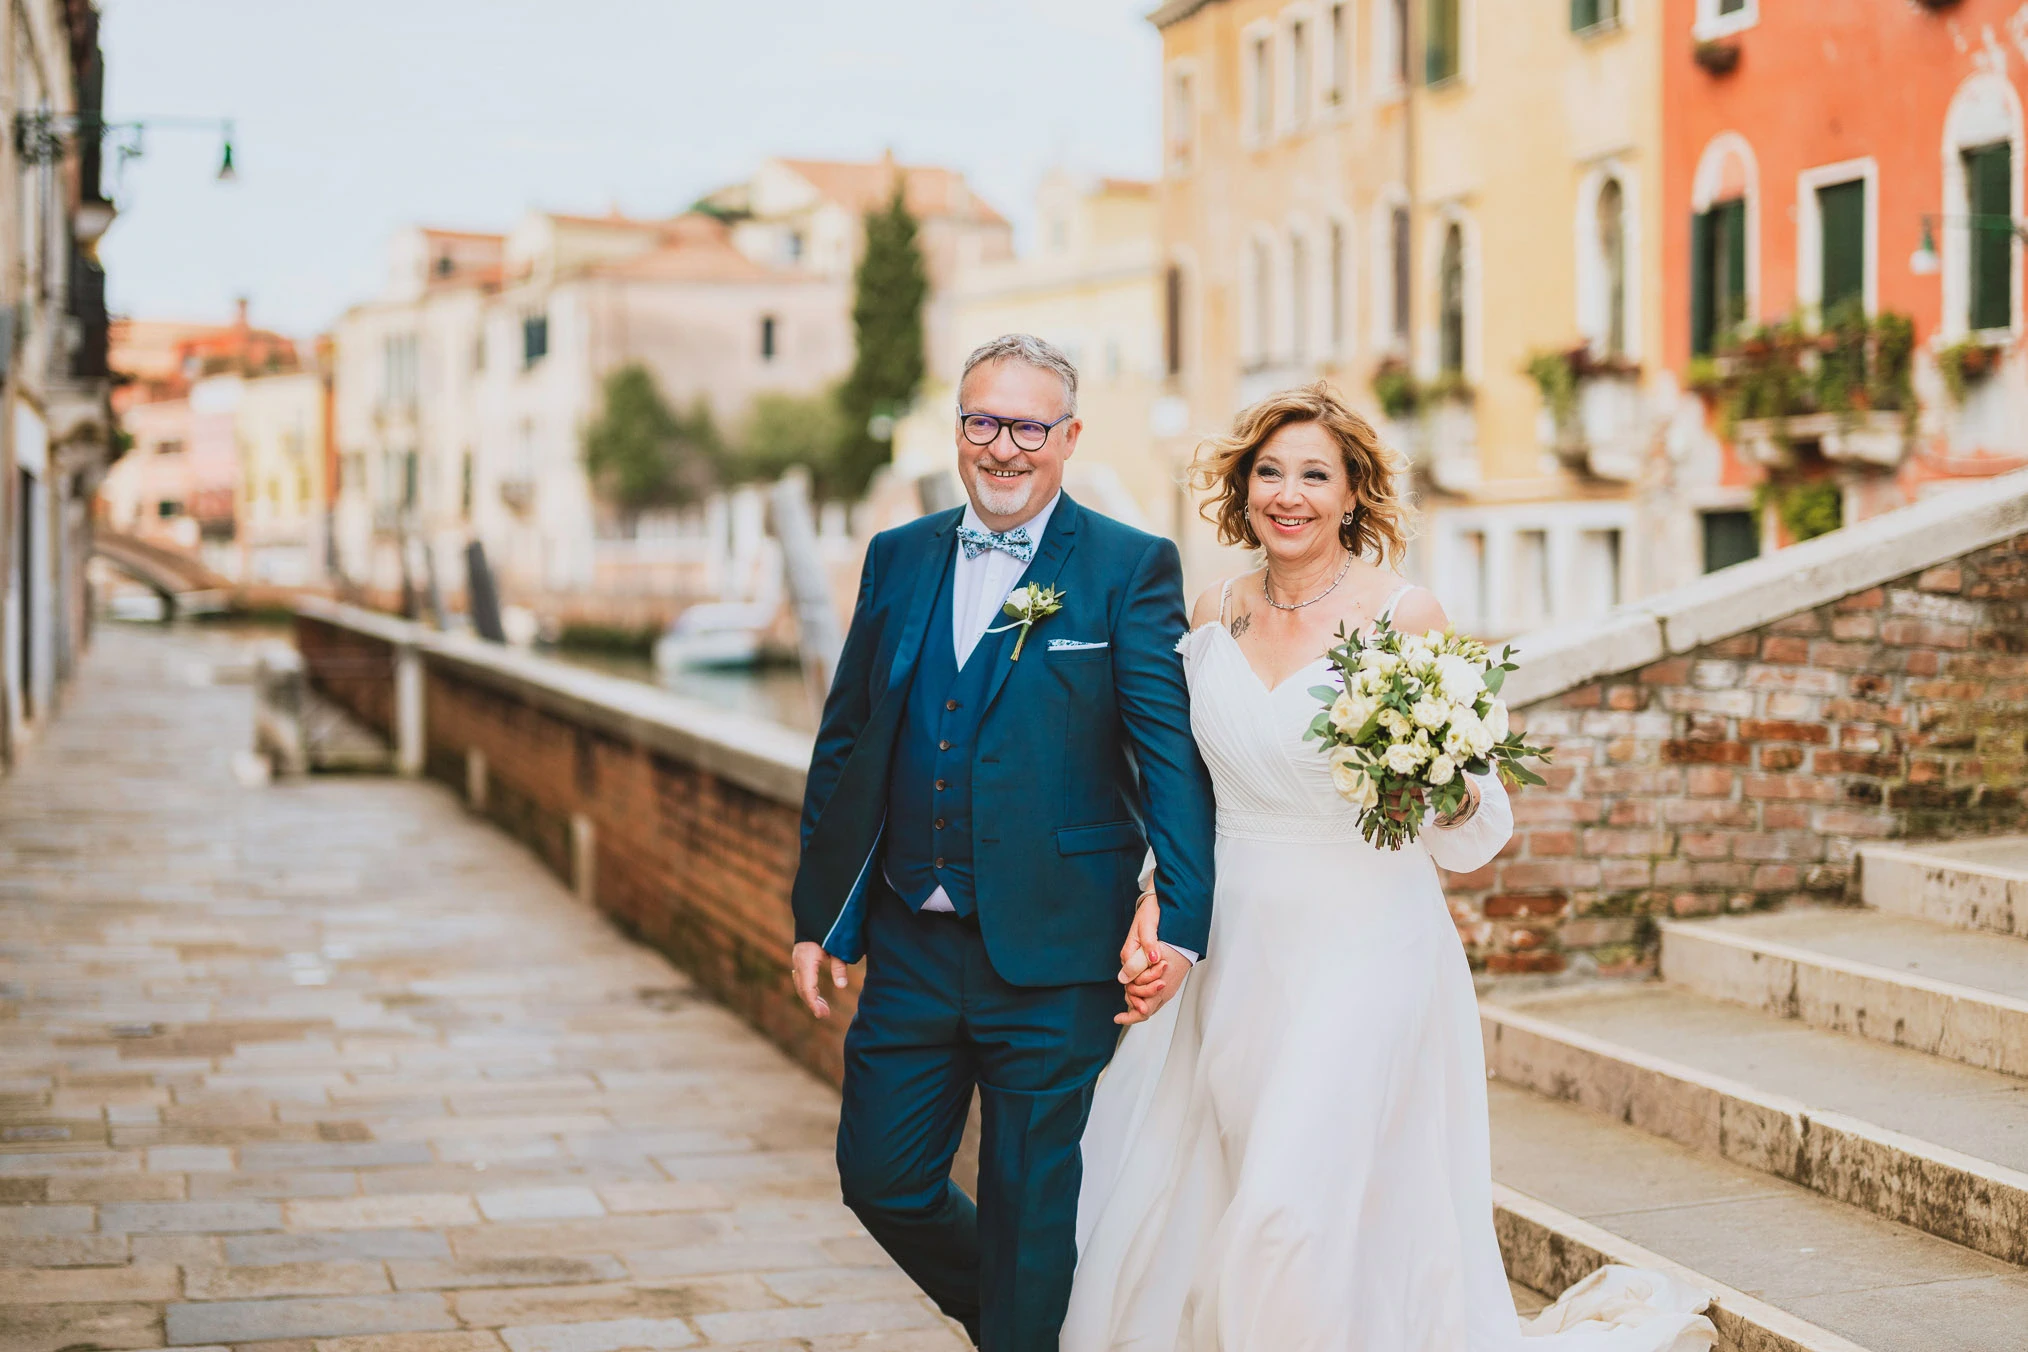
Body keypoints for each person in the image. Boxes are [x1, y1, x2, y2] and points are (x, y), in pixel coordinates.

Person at [1062, 383, 1717, 1351]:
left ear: (1352, 493)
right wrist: (1162, 898)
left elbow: (1476, 821)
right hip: (1238, 947)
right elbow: (1184, 791)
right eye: (1269, 472)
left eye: (1314, 475)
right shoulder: (1212, 611)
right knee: (1236, 1184)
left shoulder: (1406, 615)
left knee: (1286, 1206)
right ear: (1242, 489)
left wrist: (1440, 775)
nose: (1289, 494)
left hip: (1368, 941)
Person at [788, 333, 1217, 1351]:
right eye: (983, 421)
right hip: (911, 943)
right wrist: (818, 916)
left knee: (1030, 1209)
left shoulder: (1127, 566)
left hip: (1058, 952)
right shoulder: (898, 556)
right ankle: (1031, 1326)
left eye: (1028, 426)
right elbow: (847, 743)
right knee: (881, 1178)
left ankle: (1028, 1324)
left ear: (1068, 437)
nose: (1003, 447)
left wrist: (1180, 919)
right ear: (958, 429)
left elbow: (1172, 760)